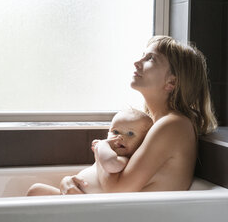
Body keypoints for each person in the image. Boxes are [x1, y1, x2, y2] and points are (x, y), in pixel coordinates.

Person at [90, 35, 218, 193]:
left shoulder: (173, 125)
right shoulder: (154, 122)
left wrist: (99, 150)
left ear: (172, 82)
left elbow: (117, 191)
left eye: (150, 58)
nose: (136, 63)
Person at [26, 108, 153, 196]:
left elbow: (109, 164)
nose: (120, 137)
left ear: (143, 142)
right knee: (36, 190)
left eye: (130, 134)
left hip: (87, 207)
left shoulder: (123, 160)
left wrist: (102, 146)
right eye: (115, 132)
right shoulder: (109, 154)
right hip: (74, 197)